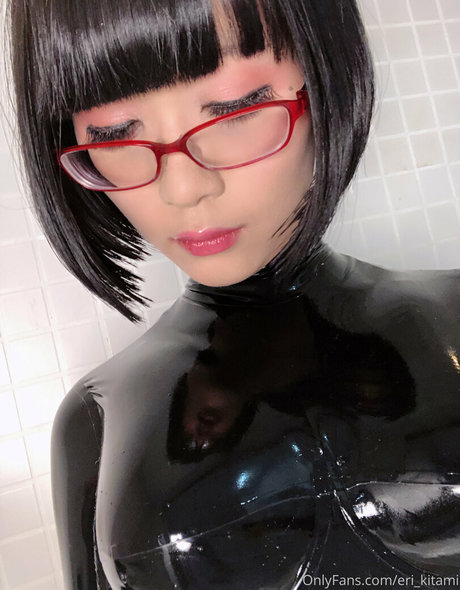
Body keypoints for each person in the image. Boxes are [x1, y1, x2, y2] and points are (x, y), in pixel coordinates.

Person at [8, 0, 460, 588]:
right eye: (114, 134)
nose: (183, 187)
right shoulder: (98, 419)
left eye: (235, 108)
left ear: (325, 74)